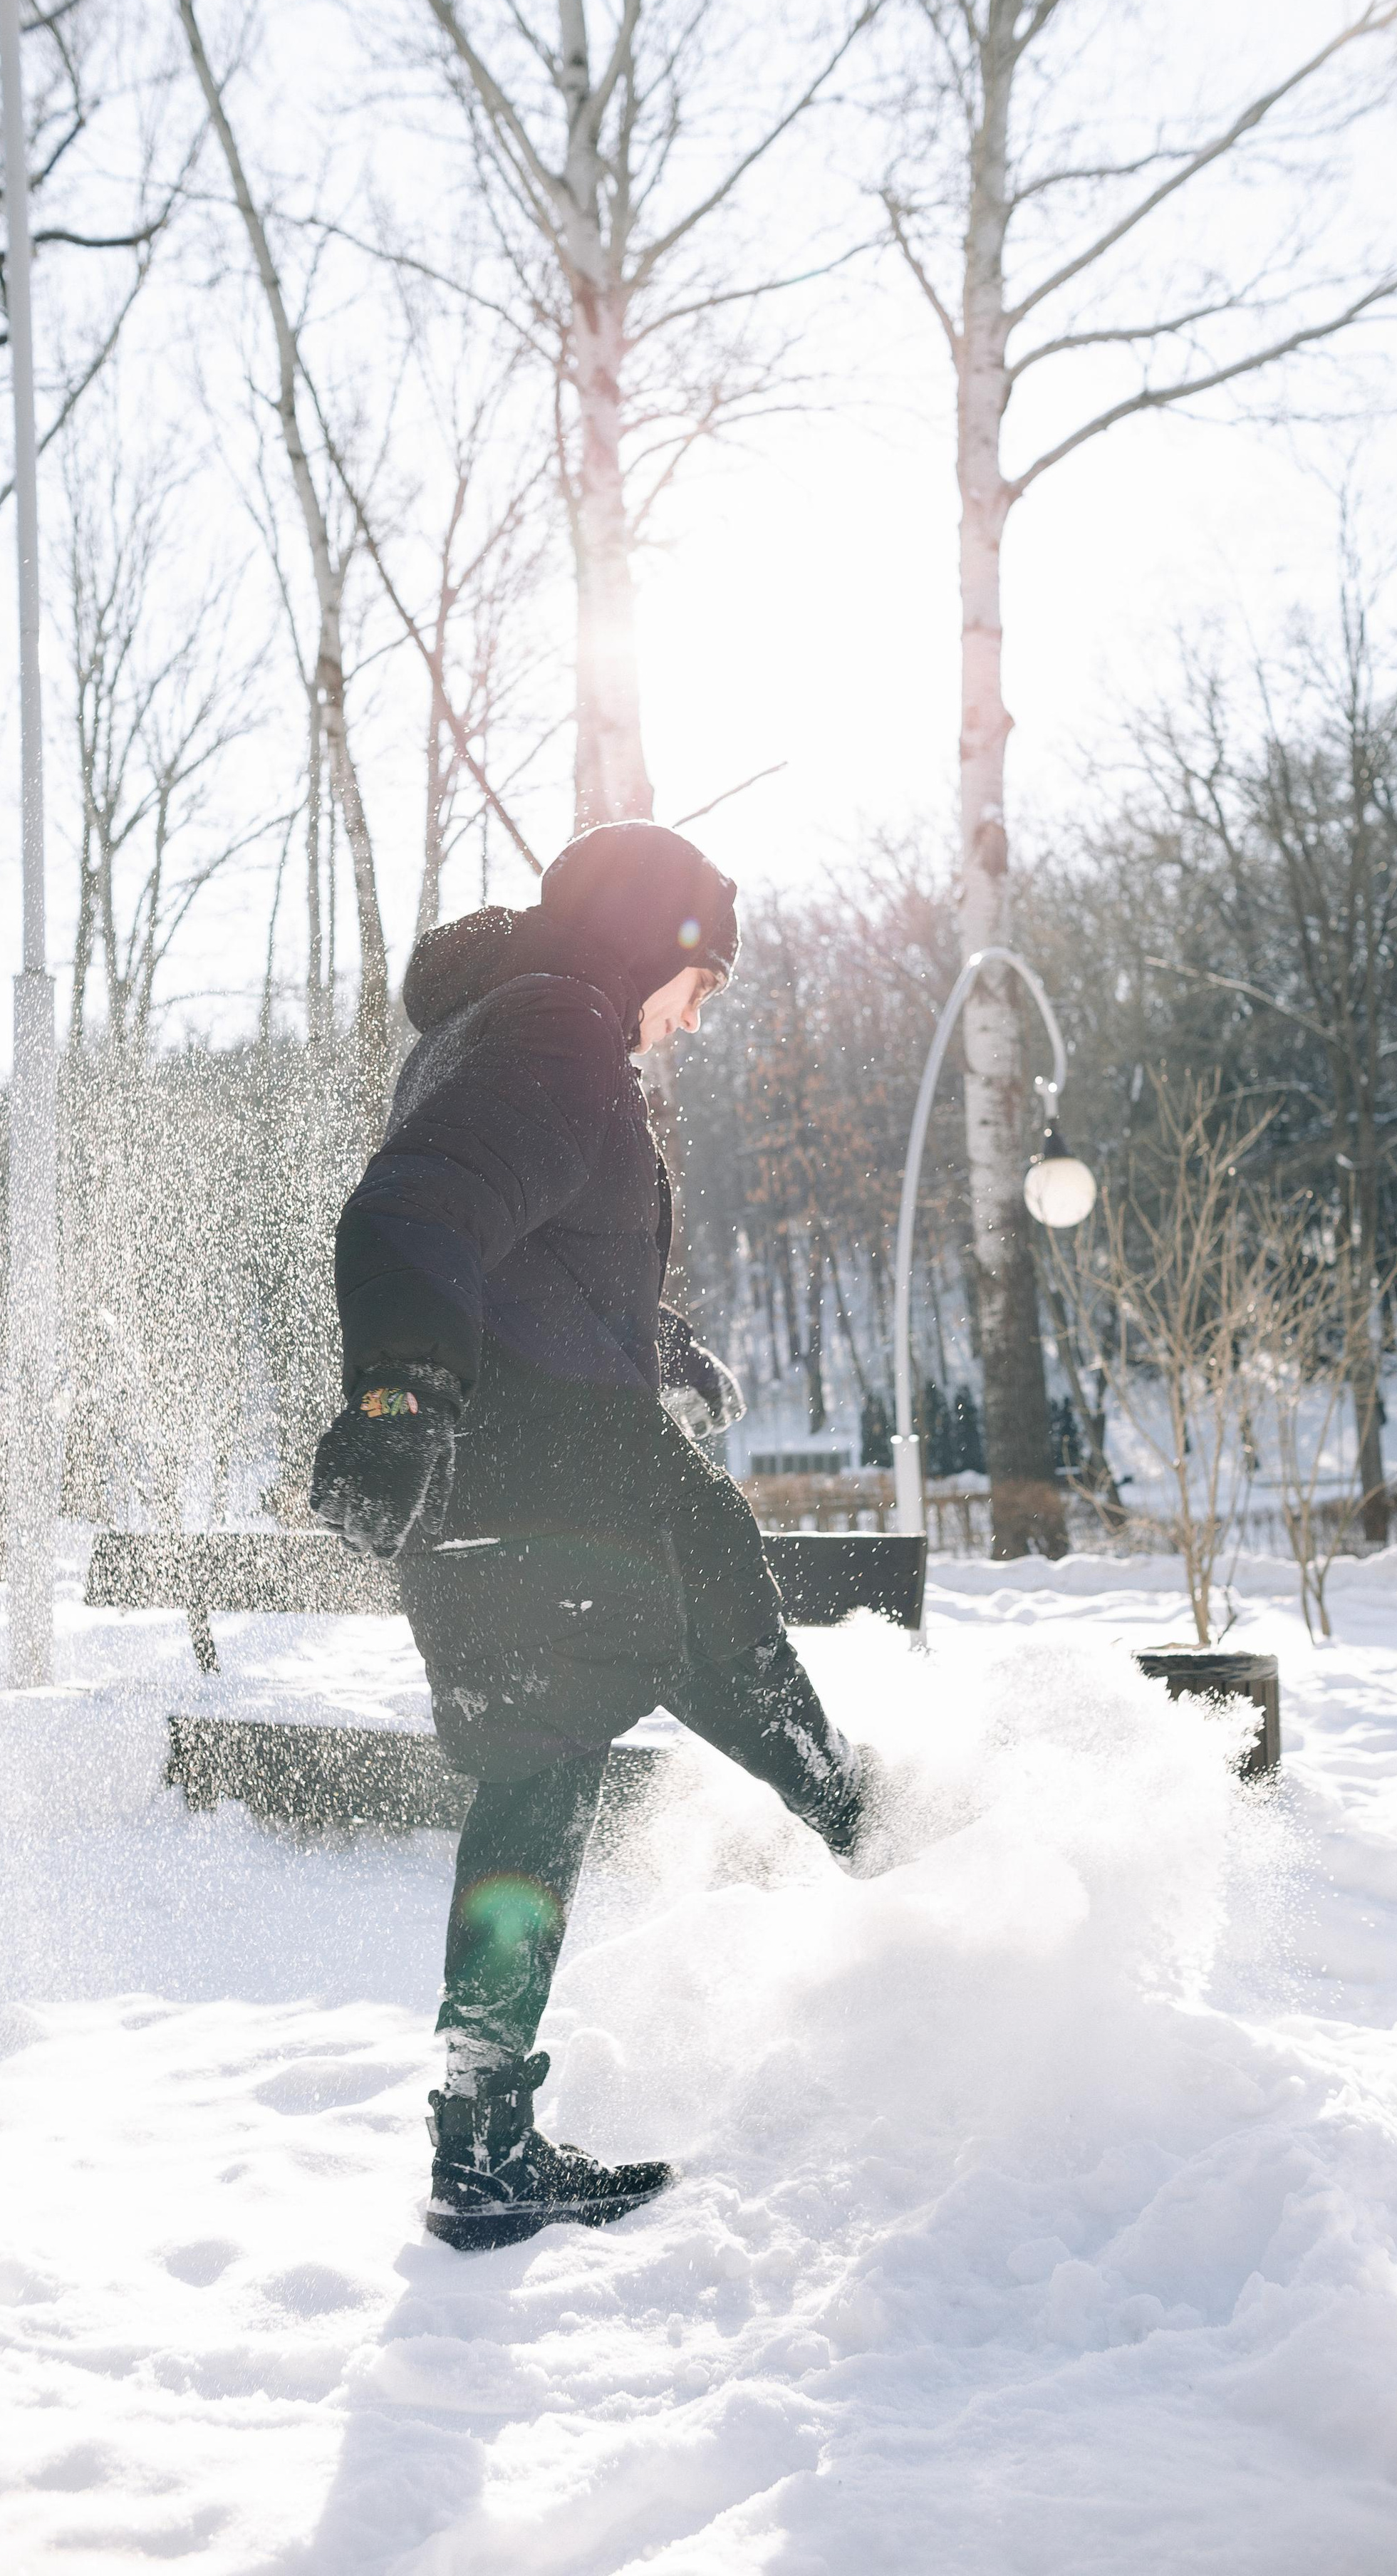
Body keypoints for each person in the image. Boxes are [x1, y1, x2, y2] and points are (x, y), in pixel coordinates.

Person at [311, 821, 884, 2253]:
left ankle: (484, 2136)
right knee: (641, 1734)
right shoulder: (559, 1029)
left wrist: (649, 1341)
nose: (695, 1017)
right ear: (651, 945)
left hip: (533, 1486)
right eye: (703, 983)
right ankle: (904, 1857)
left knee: (564, 1767)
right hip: (552, 1495)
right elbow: (416, 1212)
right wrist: (394, 1392)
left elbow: (524, 1241)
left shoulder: (496, 1028)